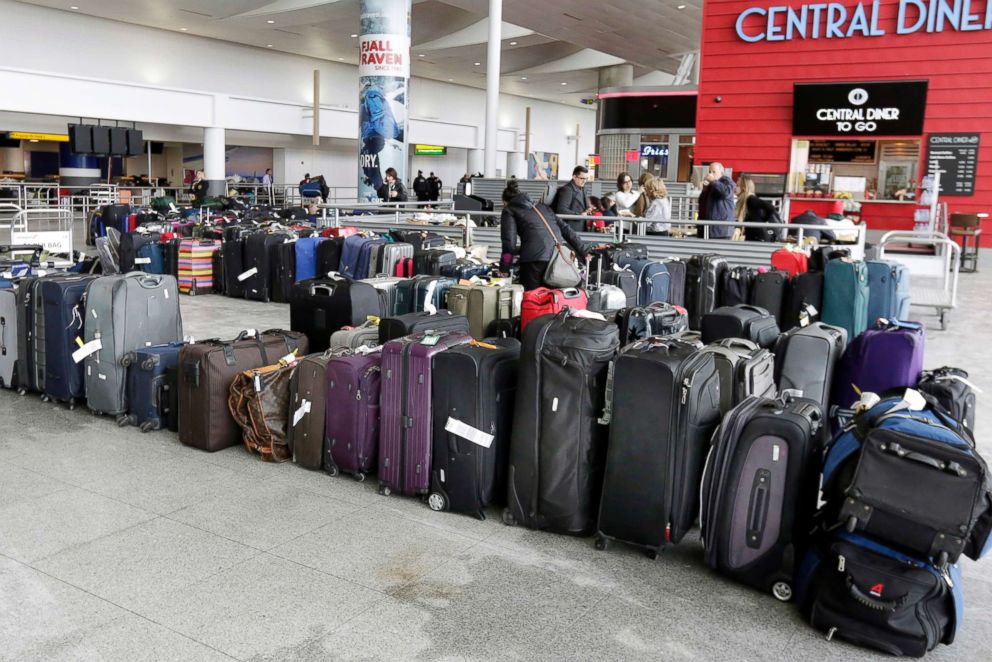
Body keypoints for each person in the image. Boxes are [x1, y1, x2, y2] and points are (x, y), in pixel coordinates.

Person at [500, 179, 591, 291]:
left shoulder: (509, 210)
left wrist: (504, 268)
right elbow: (566, 229)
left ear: (505, 202)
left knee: (532, 299)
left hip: (534, 262)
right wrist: (584, 250)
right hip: (556, 258)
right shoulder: (543, 207)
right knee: (551, 299)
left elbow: (509, 243)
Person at [697, 162, 736, 239]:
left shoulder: (727, 181)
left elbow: (725, 193)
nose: (711, 174)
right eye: (709, 172)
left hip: (721, 230)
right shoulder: (711, 185)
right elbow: (701, 202)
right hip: (707, 228)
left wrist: (713, 181)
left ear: (721, 173)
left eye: (714, 172)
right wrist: (704, 189)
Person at [736, 174, 780, 242]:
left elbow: (770, 207)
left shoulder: (751, 199)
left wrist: (764, 220)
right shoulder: (745, 200)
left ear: (744, 188)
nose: (735, 188)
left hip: (758, 237)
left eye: (737, 186)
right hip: (753, 236)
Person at [552, 165, 593, 231]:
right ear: (574, 177)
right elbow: (561, 210)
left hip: (581, 226)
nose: (584, 181)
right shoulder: (567, 190)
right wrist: (579, 215)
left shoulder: (583, 189)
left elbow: (583, 206)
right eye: (582, 178)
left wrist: (588, 209)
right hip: (570, 228)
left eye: (586, 179)